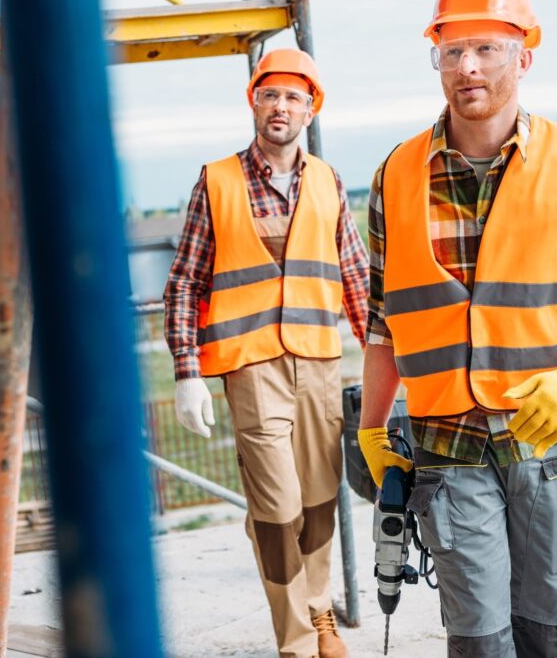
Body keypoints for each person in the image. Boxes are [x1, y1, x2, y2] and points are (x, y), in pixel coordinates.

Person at [357, 0, 557, 656]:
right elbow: (384, 319)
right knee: (478, 641)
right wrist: (372, 429)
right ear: (435, 58)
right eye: (451, 49)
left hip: (549, 446)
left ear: (524, 57)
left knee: (549, 634)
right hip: (445, 446)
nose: (468, 66)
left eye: (487, 48)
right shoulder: (395, 176)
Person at [163, 48, 368, 658]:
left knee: (319, 502)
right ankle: (298, 640)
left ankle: (319, 608)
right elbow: (185, 283)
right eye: (269, 94)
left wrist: (389, 359)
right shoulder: (217, 180)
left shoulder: (328, 182)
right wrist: (186, 372)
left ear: (311, 108)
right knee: (277, 509)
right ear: (254, 101)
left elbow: (357, 278)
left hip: (321, 363)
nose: (280, 106)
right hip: (252, 367)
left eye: (293, 97)